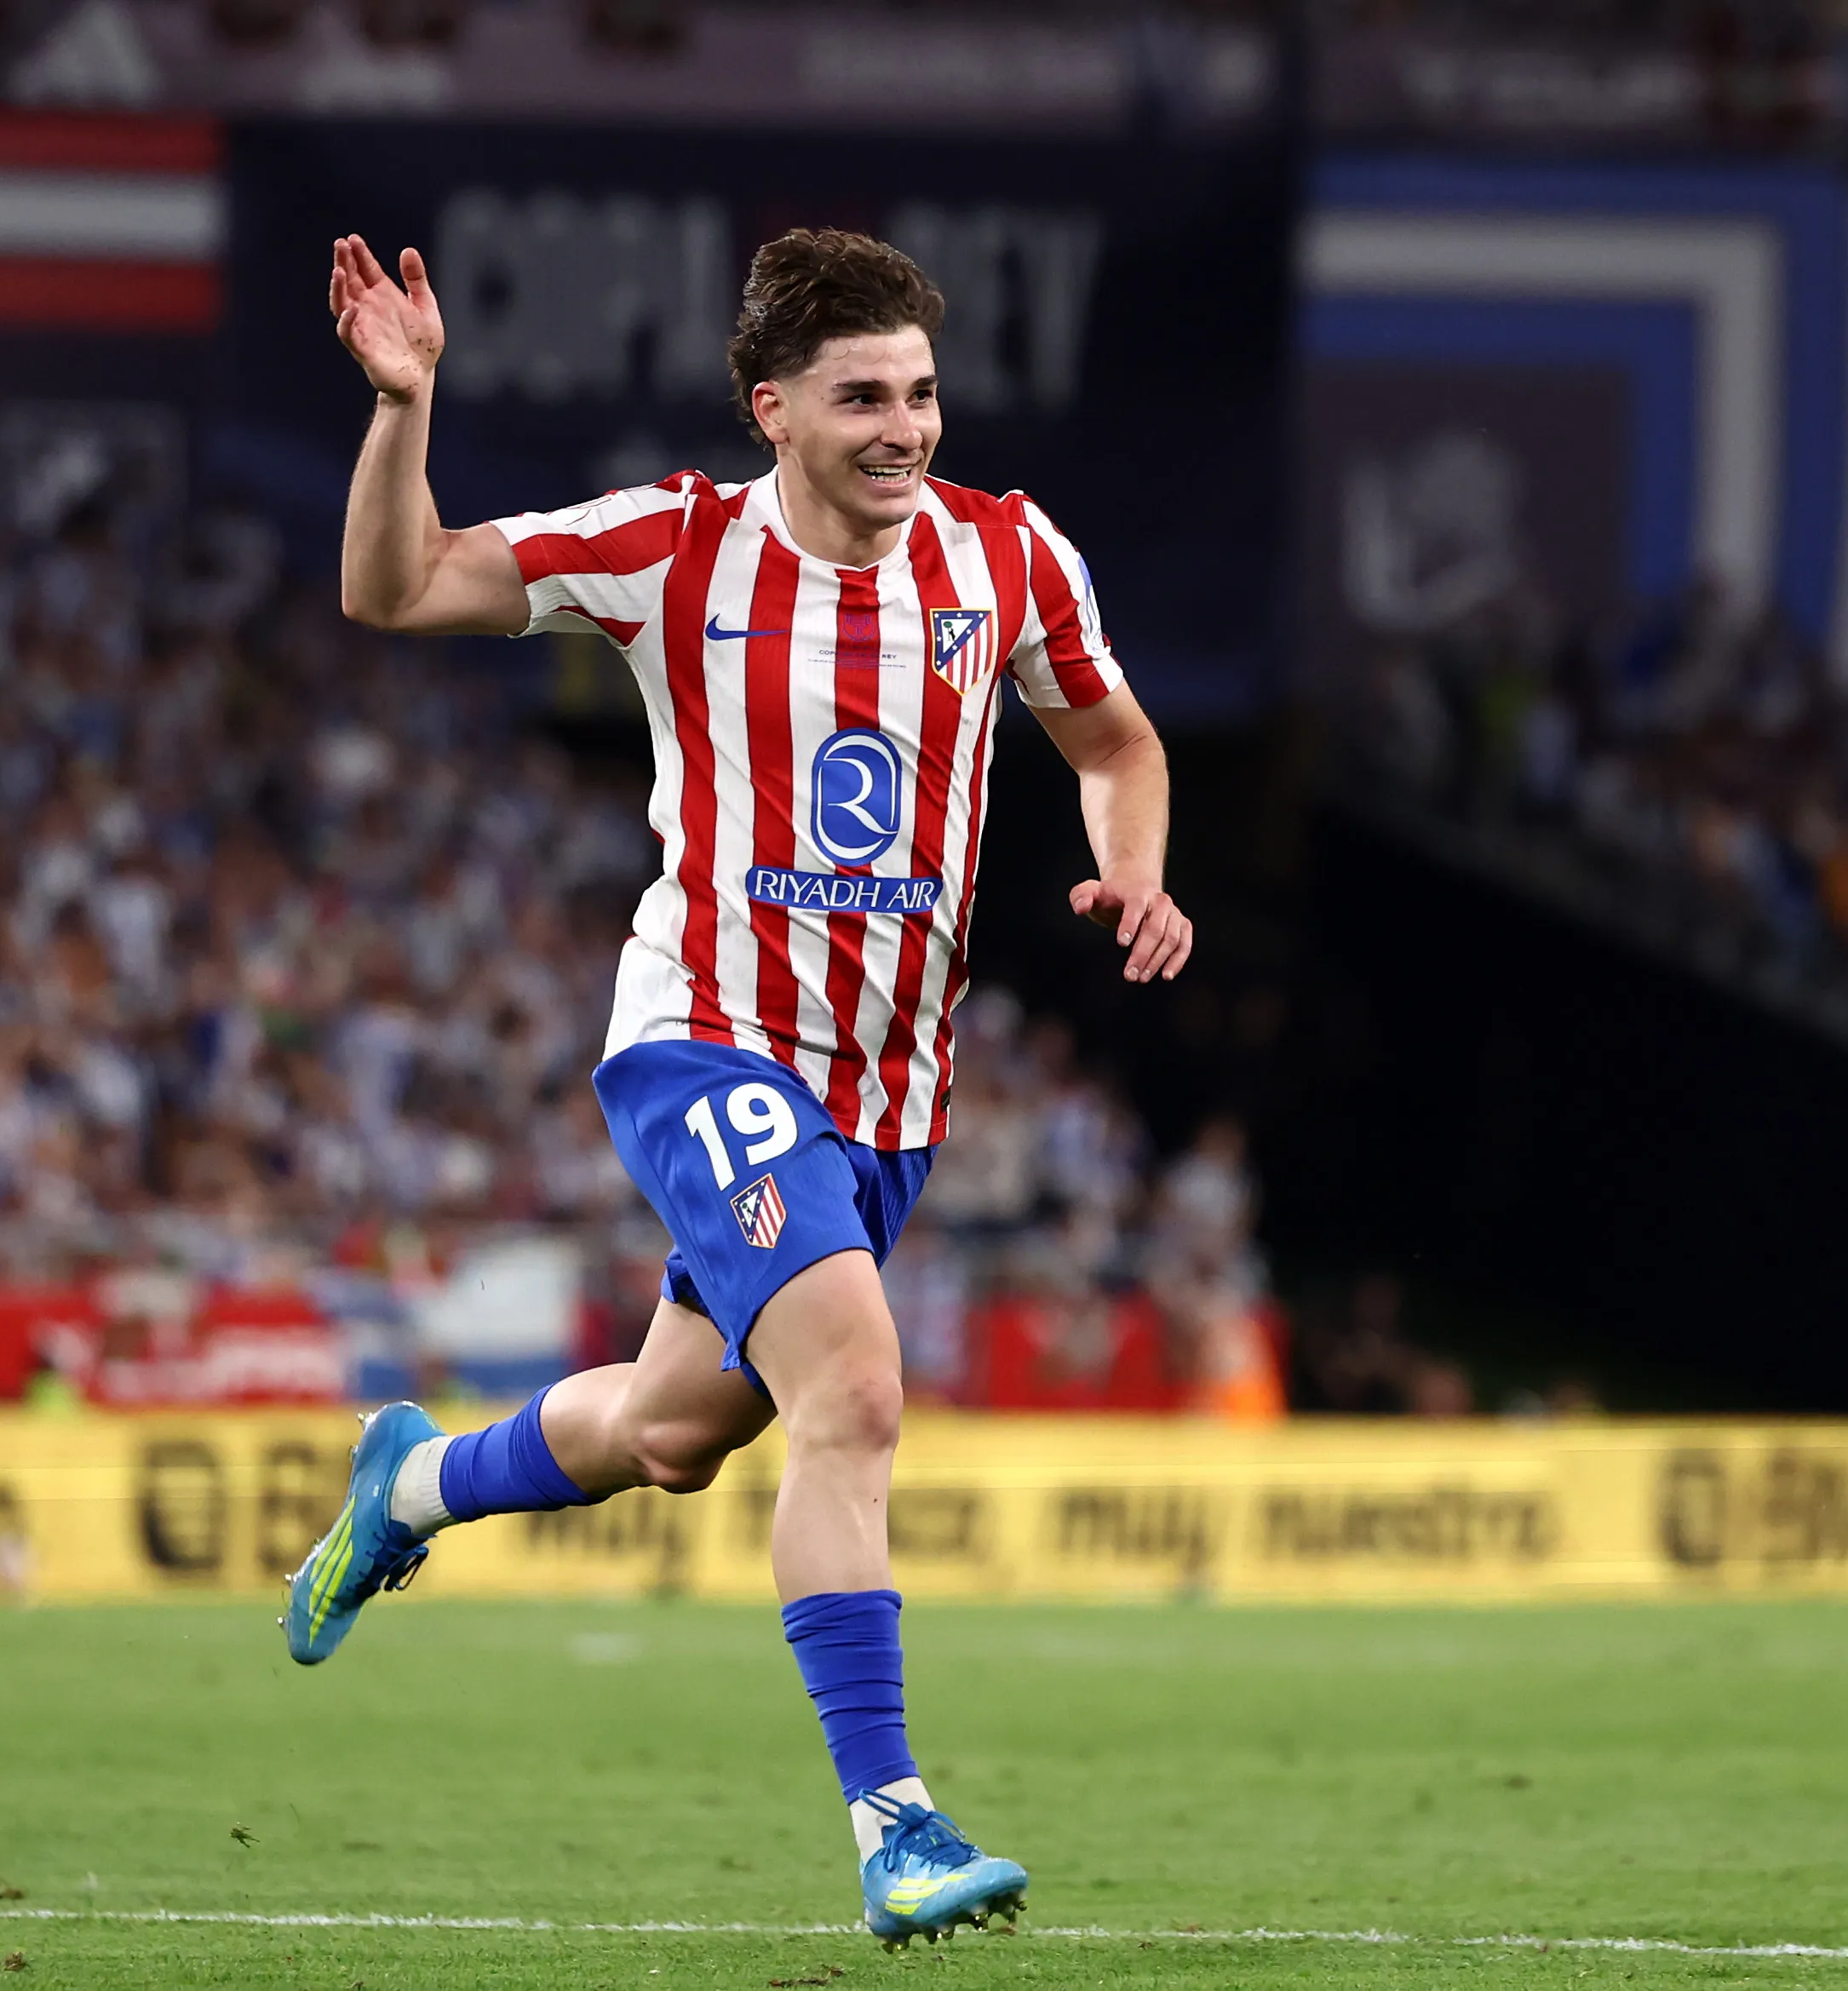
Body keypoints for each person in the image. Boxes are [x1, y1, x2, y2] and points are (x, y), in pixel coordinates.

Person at [283, 227, 1192, 1947]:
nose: (903, 428)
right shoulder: (671, 546)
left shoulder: (1006, 557)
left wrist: (1133, 871)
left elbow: (1113, 741)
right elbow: (394, 588)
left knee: (668, 1430)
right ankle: (895, 1821)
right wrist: (404, 411)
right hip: (705, 1037)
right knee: (852, 1389)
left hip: (884, 1100)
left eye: (919, 392)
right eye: (862, 398)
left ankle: (407, 1482)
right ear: (772, 407)